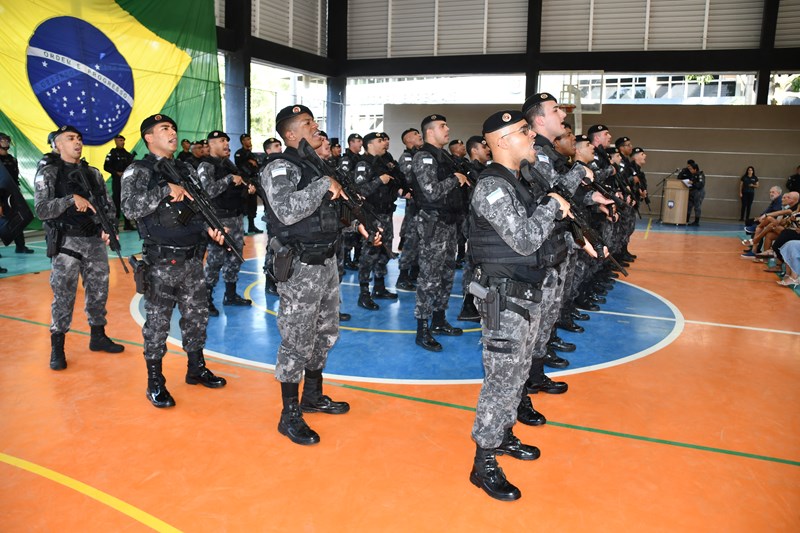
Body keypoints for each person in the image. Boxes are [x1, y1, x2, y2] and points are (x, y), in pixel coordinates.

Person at [467, 109, 575, 501]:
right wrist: (553, 206)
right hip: (503, 298)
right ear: (501, 142)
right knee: (500, 381)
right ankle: (484, 463)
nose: (532, 136)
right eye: (523, 132)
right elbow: (524, 238)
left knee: (515, 375)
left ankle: (504, 433)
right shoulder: (492, 187)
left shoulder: (518, 181)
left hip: (524, 293)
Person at [260, 104, 372, 446]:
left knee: (325, 332)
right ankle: (289, 413)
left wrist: (358, 222)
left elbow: (328, 214)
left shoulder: (315, 167)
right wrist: (324, 183)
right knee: (296, 338)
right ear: (291, 134)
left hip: (327, 261)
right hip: (299, 265)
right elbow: (287, 210)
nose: (315, 127)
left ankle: (312, 395)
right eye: (308, 124)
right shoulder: (280, 167)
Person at [122, 114, 228, 408]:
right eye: (164, 129)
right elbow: (129, 208)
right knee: (157, 325)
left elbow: (197, 208)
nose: (172, 132)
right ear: (149, 138)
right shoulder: (138, 171)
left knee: (197, 319)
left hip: (193, 259)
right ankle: (155, 382)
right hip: (161, 262)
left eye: (173, 128)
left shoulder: (185, 169)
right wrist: (163, 190)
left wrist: (210, 228)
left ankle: (196, 368)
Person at [34, 125, 125, 371]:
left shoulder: (93, 173)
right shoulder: (49, 173)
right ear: (57, 144)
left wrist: (111, 228)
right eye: (70, 138)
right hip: (67, 242)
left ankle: (98, 336)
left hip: (94, 241)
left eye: (79, 138)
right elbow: (41, 209)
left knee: (98, 291)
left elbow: (108, 205)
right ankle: (57, 346)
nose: (77, 142)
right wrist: (69, 200)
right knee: (64, 296)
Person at [410, 114, 470, 352]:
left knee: (446, 275)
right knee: (429, 278)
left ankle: (439, 319)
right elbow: (432, 192)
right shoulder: (423, 157)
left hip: (448, 223)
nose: (448, 129)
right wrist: (455, 180)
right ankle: (422, 328)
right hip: (433, 225)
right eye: (442, 126)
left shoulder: (443, 156)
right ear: (429, 132)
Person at [198, 130, 255, 315]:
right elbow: (208, 191)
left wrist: (248, 186)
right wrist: (229, 179)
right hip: (218, 220)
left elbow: (237, 183)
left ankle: (230, 296)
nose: (226, 144)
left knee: (235, 258)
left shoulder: (228, 163)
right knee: (215, 261)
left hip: (236, 217)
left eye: (227, 141)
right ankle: (206, 299)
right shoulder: (206, 166)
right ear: (211, 144)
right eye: (222, 140)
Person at [353, 132, 400, 310]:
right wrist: (379, 180)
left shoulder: (383, 163)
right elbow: (360, 191)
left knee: (384, 252)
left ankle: (379, 287)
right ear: (369, 144)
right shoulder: (363, 165)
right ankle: (364, 293)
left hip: (386, 214)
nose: (384, 143)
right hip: (372, 216)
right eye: (380, 140)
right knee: (369, 254)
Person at [396, 128, 424, 291]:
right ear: (407, 140)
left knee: (420, 243)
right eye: (415, 134)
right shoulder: (407, 158)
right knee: (410, 243)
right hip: (413, 208)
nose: (419, 135)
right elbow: (410, 180)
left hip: (422, 208)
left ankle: (414, 273)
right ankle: (402, 277)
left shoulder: (419, 156)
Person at [0, 132, 34, 253]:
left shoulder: (12, 160)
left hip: (12, 194)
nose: (6, 143)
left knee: (18, 218)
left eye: (7, 141)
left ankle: (20, 246)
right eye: (3, 141)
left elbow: (15, 178)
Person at [103, 134, 136, 230]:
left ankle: (127, 224)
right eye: (120, 140)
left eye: (123, 140)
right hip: (117, 181)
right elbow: (106, 167)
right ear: (116, 141)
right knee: (116, 202)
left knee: (126, 202)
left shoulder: (127, 154)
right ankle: (115, 225)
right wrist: (116, 173)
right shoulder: (112, 153)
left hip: (126, 182)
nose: (122, 142)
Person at [235, 133, 263, 234]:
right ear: (242, 141)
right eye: (247, 139)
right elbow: (241, 166)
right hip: (244, 182)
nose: (249, 141)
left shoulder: (250, 153)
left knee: (252, 204)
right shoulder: (239, 153)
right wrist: (250, 167)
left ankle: (251, 226)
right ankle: (241, 228)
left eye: (249, 139)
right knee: (243, 205)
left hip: (253, 181)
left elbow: (256, 165)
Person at [679, 160, 705, 226]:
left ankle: (696, 221)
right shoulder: (693, 175)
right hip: (692, 191)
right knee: (689, 206)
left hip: (698, 192)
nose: (690, 170)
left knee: (697, 207)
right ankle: (686, 220)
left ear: (695, 169)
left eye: (691, 169)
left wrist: (693, 183)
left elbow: (701, 184)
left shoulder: (700, 174)